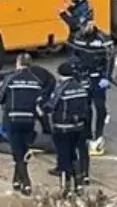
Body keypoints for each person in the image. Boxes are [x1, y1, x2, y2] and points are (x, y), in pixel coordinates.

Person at [42, 61, 92, 195]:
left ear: (60, 74)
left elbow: (51, 106)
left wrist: (41, 109)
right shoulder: (80, 88)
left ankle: (66, 186)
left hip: (62, 127)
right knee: (73, 155)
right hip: (79, 127)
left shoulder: (61, 89)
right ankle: (79, 184)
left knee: (64, 156)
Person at [67, 20, 115, 155]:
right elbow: (72, 55)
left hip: (98, 77)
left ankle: (99, 133)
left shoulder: (103, 38)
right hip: (83, 76)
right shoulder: (77, 37)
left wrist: (107, 76)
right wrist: (75, 72)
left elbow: (110, 58)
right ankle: (87, 133)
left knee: (99, 106)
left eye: (86, 26)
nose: (84, 29)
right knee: (85, 107)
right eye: (82, 26)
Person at [0, 53, 43, 196]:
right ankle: (16, 179)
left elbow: (0, 97)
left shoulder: (11, 79)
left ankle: (26, 182)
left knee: (17, 152)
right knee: (23, 150)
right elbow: (39, 101)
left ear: (18, 63)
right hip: (29, 120)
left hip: (13, 118)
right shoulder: (36, 81)